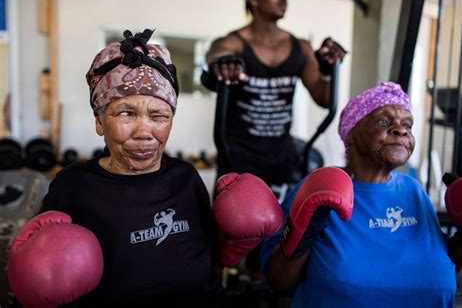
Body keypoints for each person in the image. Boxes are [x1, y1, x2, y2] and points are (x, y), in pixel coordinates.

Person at [7, 28, 285, 308]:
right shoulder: (73, 187)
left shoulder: (186, 177)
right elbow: (42, 276)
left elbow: (209, 263)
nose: (144, 131)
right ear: (100, 122)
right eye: (126, 113)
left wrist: (234, 244)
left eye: (159, 116)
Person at [261, 82, 462, 307]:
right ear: (351, 134)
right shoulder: (318, 187)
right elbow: (279, 282)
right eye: (384, 121)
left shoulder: (414, 190)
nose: (401, 130)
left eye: (407, 125)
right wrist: (304, 232)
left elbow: (436, 270)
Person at [206, 0, 346, 281]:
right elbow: (217, 53)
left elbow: (322, 95)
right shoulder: (234, 43)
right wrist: (224, 63)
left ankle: (260, 284)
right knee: (227, 237)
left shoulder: (300, 47)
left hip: (279, 155)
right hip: (238, 157)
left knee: (271, 235)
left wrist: (330, 68)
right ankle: (218, 282)